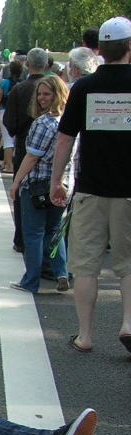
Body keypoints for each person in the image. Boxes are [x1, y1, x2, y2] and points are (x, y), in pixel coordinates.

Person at [51, 17, 131, 354]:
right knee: (128, 262)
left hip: (90, 187)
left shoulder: (83, 87)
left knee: (85, 265)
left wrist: (57, 180)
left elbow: (65, 140)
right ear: (129, 46)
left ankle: (85, 334)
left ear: (100, 49)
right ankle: (128, 323)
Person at [9, 75, 70, 294]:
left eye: (46, 94)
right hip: (62, 184)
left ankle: (31, 281)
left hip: (38, 184)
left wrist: (16, 182)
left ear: (56, 95)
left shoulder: (43, 122)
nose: (42, 98)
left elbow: (32, 156)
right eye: (40, 93)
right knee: (54, 231)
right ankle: (60, 272)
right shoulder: (68, 120)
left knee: (33, 233)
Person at [4, 48, 49, 254]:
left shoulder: (20, 89)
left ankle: (21, 238)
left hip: (24, 143)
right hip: (52, 145)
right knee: (49, 191)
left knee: (22, 189)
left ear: (26, 65)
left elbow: (9, 121)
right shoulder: (54, 87)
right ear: (46, 65)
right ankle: (46, 240)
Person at [0, 60, 23, 173]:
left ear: (10, 70)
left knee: (7, 140)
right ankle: (7, 162)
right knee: (16, 140)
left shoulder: (4, 83)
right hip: (19, 113)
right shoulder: (23, 83)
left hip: (4, 111)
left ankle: (9, 166)